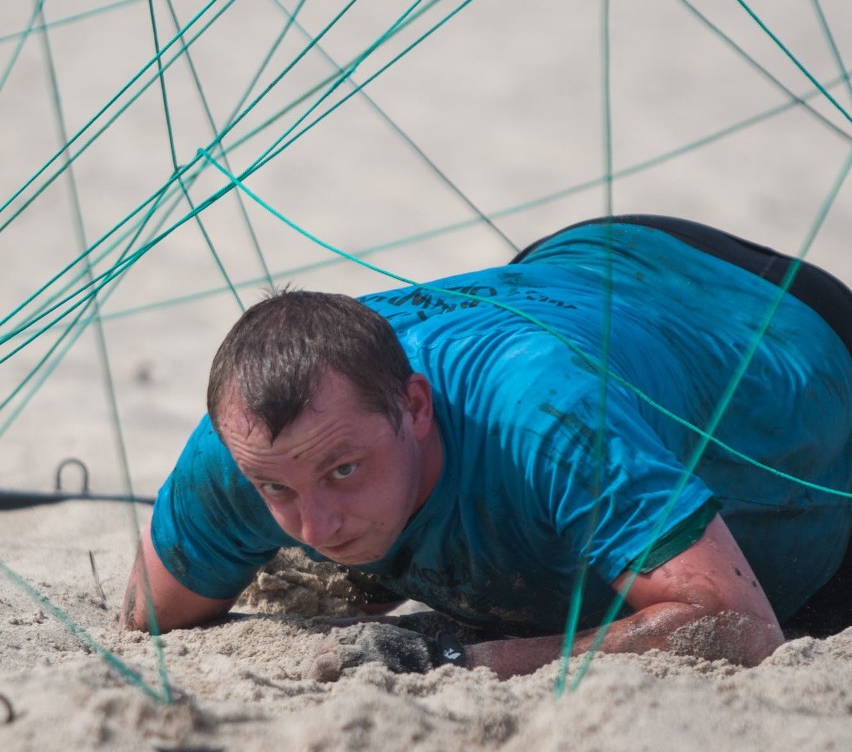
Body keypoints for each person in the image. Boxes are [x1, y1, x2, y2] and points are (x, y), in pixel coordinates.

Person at [120, 215, 852, 679]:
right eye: (278, 492)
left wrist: (457, 656)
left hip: (780, 326)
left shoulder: (549, 419)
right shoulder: (243, 452)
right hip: (568, 270)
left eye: (343, 470)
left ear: (415, 407)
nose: (314, 528)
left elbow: (738, 625)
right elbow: (151, 612)